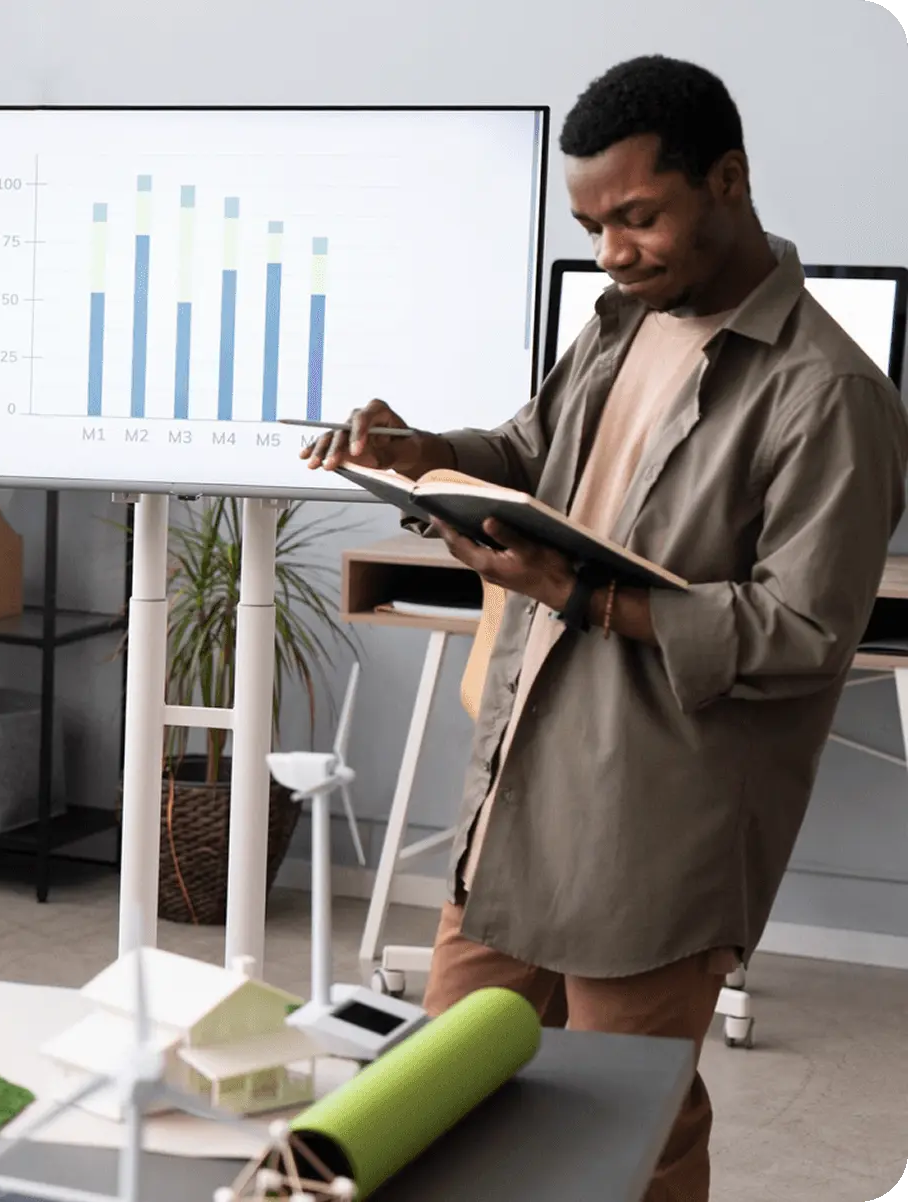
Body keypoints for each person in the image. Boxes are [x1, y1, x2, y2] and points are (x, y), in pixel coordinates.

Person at [303, 56, 907, 1202]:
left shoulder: (828, 394)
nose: (613, 253)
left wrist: (576, 594)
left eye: (637, 217)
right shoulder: (621, 321)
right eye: (592, 228)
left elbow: (800, 632)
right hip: (521, 788)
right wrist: (419, 450)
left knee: (625, 1129)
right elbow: (530, 451)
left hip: (655, 821)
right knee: (439, 1089)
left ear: (727, 179)